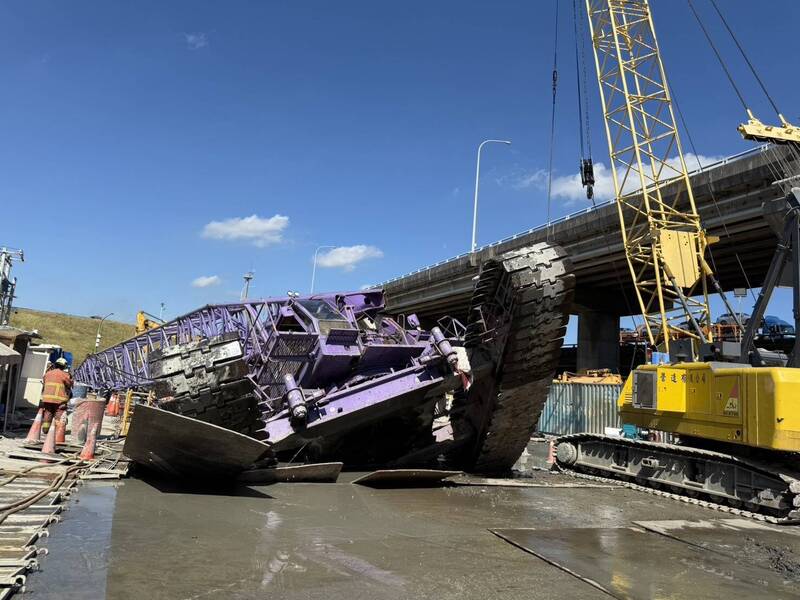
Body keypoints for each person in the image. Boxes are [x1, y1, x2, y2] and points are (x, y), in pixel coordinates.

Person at [41, 358, 72, 434]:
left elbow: (44, 383)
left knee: (48, 413)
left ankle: (45, 430)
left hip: (47, 399)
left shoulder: (47, 373)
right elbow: (69, 384)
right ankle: (58, 431)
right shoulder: (64, 375)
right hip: (59, 400)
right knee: (59, 414)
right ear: (64, 366)